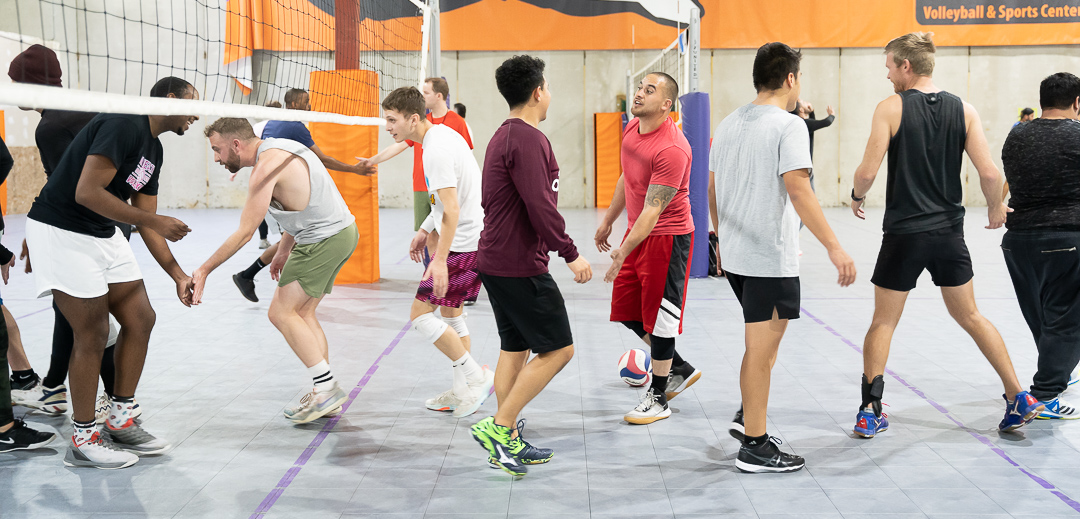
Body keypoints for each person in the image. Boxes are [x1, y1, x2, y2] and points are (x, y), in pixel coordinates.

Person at [849, 32, 1042, 438]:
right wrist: (993, 206)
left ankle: (870, 409)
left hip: (904, 233)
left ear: (906, 66)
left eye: (889, 66)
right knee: (970, 315)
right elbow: (989, 172)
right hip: (949, 234)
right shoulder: (964, 110)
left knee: (883, 321)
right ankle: (1017, 395)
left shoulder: (890, 108)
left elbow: (867, 171)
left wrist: (856, 195)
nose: (886, 74)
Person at [24, 76, 200, 468]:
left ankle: (120, 418)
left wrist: (178, 274)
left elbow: (149, 221)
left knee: (141, 318)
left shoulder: (153, 149)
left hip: (101, 232)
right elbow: (86, 192)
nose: (196, 114)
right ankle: (84, 438)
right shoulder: (124, 122)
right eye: (193, 103)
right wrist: (152, 221)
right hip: (61, 230)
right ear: (170, 99)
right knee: (94, 332)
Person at [710, 42, 856, 473]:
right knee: (760, 351)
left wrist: (721, 238)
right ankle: (754, 445)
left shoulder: (729, 121)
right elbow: (799, 189)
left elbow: (712, 190)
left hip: (737, 257)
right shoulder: (788, 125)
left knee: (763, 347)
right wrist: (834, 245)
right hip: (768, 259)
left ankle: (748, 417)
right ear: (791, 79)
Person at [469, 55, 592, 477]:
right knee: (559, 349)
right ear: (538, 91)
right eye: (549, 87)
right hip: (518, 264)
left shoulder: (504, 136)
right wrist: (570, 253)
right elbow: (540, 206)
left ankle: (508, 443)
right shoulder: (527, 139)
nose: (550, 94)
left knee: (515, 348)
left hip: (498, 259)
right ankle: (501, 428)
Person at [196, 117, 361, 424]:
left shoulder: (264, 168)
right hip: (340, 233)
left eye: (217, 150)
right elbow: (299, 201)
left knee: (281, 313)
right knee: (303, 314)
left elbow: (246, 232)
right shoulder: (283, 147)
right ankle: (324, 394)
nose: (217, 159)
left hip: (321, 240)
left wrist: (204, 270)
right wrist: (284, 249)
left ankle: (326, 389)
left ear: (236, 144)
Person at [595, 72, 702, 425]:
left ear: (666, 105)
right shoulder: (632, 129)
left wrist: (622, 252)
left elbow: (654, 211)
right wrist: (609, 219)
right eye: (641, 87)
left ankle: (658, 397)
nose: (639, 93)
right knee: (627, 311)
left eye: (649, 90)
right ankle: (679, 367)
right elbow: (627, 177)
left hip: (666, 238)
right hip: (636, 232)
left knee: (661, 320)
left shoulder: (672, 148)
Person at [380, 87, 494, 418]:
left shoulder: (436, 151)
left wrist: (441, 260)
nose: (388, 128)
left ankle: (477, 378)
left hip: (462, 244)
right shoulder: (439, 136)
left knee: (420, 315)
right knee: (451, 313)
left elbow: (453, 209)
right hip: (469, 240)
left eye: (392, 120)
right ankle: (462, 390)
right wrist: (425, 228)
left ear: (413, 119)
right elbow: (443, 201)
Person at [7, 44, 105, 417]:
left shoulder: (50, 126)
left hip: (81, 224)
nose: (12, 89)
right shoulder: (87, 107)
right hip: (112, 221)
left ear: (33, 83)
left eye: (16, 82)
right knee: (83, 310)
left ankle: (82, 398)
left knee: (80, 311)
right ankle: (54, 387)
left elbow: (62, 185)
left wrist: (37, 228)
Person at [231, 89, 371, 302]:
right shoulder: (295, 126)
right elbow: (322, 159)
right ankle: (254, 278)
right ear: (294, 104)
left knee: (292, 239)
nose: (310, 106)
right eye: (306, 102)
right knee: (292, 240)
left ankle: (251, 276)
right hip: (281, 192)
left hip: (274, 192)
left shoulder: (272, 123)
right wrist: (355, 170)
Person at [1000, 72, 1080, 419]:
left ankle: (1053, 376)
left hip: (1017, 243)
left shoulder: (1016, 137)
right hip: (1065, 238)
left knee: (1045, 319)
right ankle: (1045, 395)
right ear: (1077, 103)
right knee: (1066, 321)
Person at [361, 78, 474, 232]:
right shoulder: (422, 126)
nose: (423, 96)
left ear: (439, 96)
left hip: (447, 186)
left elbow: (466, 158)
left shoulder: (445, 134)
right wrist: (372, 160)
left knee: (446, 225)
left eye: (426, 93)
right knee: (428, 232)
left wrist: (441, 256)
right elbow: (399, 145)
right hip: (423, 184)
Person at [249, 100, 283, 249]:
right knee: (279, 207)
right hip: (276, 174)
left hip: (261, 172)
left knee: (262, 206)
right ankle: (284, 241)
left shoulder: (258, 126)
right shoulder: (281, 125)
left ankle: (264, 239)